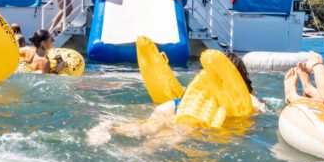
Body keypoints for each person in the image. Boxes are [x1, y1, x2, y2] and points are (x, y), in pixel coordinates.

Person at [87, 52, 265, 145]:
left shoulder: (201, 84)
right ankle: (139, 153)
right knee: (170, 138)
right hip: (197, 115)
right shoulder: (245, 96)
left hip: (176, 105)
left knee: (146, 127)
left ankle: (110, 127)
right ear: (239, 77)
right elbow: (257, 110)